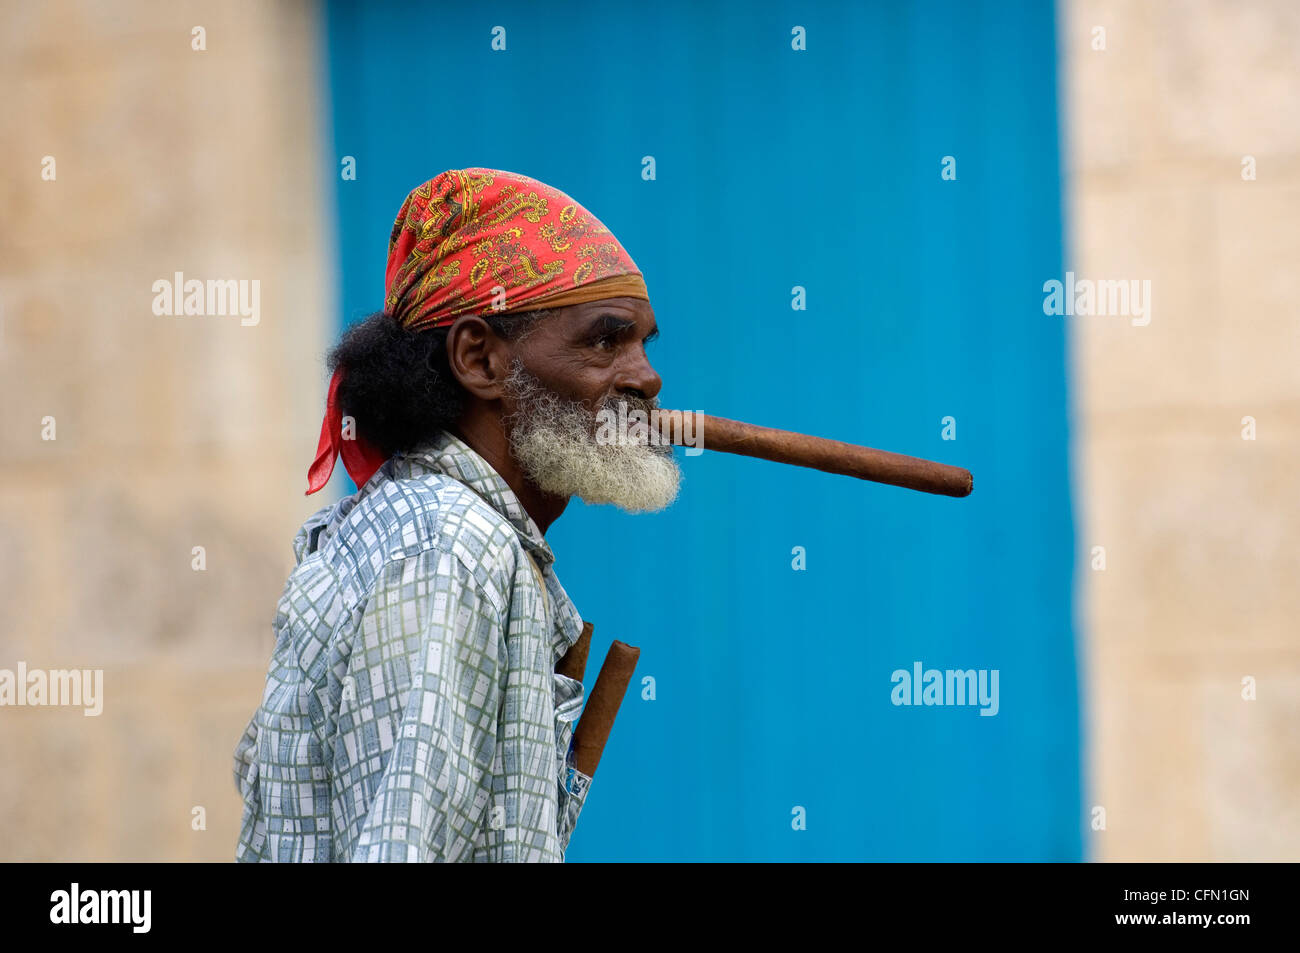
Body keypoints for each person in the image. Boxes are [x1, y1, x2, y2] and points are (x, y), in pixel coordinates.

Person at [232, 168, 679, 862]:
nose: (646, 377)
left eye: (644, 344)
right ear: (480, 359)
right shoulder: (451, 550)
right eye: (604, 340)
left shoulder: (428, 530)